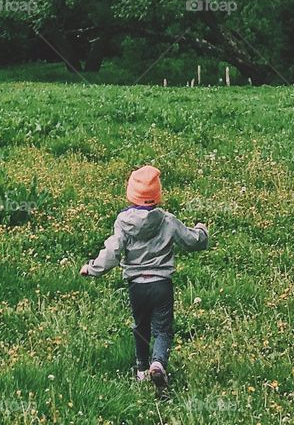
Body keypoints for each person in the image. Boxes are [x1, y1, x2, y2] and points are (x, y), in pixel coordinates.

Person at [79, 165, 209, 387]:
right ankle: (158, 364)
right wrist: (202, 232)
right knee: (163, 329)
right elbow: (191, 240)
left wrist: (92, 268)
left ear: (131, 194)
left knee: (141, 326)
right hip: (161, 285)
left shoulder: (123, 222)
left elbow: (113, 251)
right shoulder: (167, 220)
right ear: (157, 195)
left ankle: (141, 370)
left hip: (136, 286)